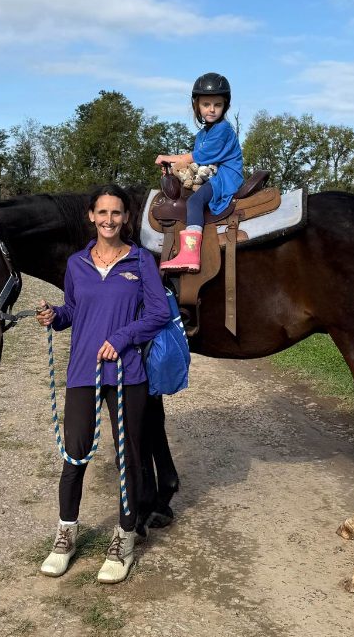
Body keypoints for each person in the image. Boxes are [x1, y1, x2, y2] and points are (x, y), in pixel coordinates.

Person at [35, 184, 170, 583]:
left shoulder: (141, 260)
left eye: (116, 213)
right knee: (74, 454)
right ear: (91, 217)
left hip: (128, 373)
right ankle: (65, 535)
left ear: (126, 218)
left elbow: (159, 313)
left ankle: (124, 538)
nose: (109, 220)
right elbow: (75, 310)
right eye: (102, 213)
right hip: (83, 372)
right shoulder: (77, 263)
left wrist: (122, 338)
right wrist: (54, 315)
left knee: (128, 456)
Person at [155, 71, 243, 273]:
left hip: (226, 177)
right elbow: (197, 163)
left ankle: (190, 254)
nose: (212, 110)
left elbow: (197, 157)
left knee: (195, 202)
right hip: (213, 173)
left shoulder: (223, 130)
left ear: (225, 106)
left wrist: (169, 157)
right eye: (206, 104)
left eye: (218, 105)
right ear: (197, 105)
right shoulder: (202, 134)